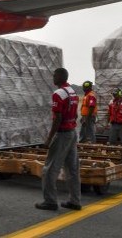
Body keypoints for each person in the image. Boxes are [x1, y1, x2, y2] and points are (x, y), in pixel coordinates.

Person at [35, 68, 82, 211]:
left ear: (61, 76)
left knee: (49, 169)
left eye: (55, 75)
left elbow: (58, 119)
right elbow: (74, 115)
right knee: (72, 169)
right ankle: (75, 201)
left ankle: (50, 201)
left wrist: (49, 140)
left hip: (63, 134)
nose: (53, 77)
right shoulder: (72, 92)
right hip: (72, 133)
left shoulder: (58, 94)